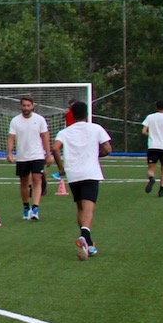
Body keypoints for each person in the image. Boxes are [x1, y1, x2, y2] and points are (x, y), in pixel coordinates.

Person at [51, 100, 111, 260]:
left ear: (73, 114)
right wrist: (96, 155)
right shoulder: (96, 128)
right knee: (89, 209)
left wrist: (61, 168)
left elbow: (55, 148)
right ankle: (85, 235)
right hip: (90, 173)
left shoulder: (65, 132)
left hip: (73, 174)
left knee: (80, 209)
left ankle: (89, 245)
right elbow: (108, 149)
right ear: (87, 113)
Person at [5, 95, 50, 221]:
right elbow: (11, 137)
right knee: (24, 182)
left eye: (28, 105)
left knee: (37, 179)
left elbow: (45, 136)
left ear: (32, 106)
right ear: (20, 106)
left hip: (37, 155)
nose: (26, 108)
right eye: (24, 105)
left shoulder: (40, 120)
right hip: (22, 157)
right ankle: (26, 207)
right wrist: (9, 153)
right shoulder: (15, 121)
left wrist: (48, 153)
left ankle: (35, 208)